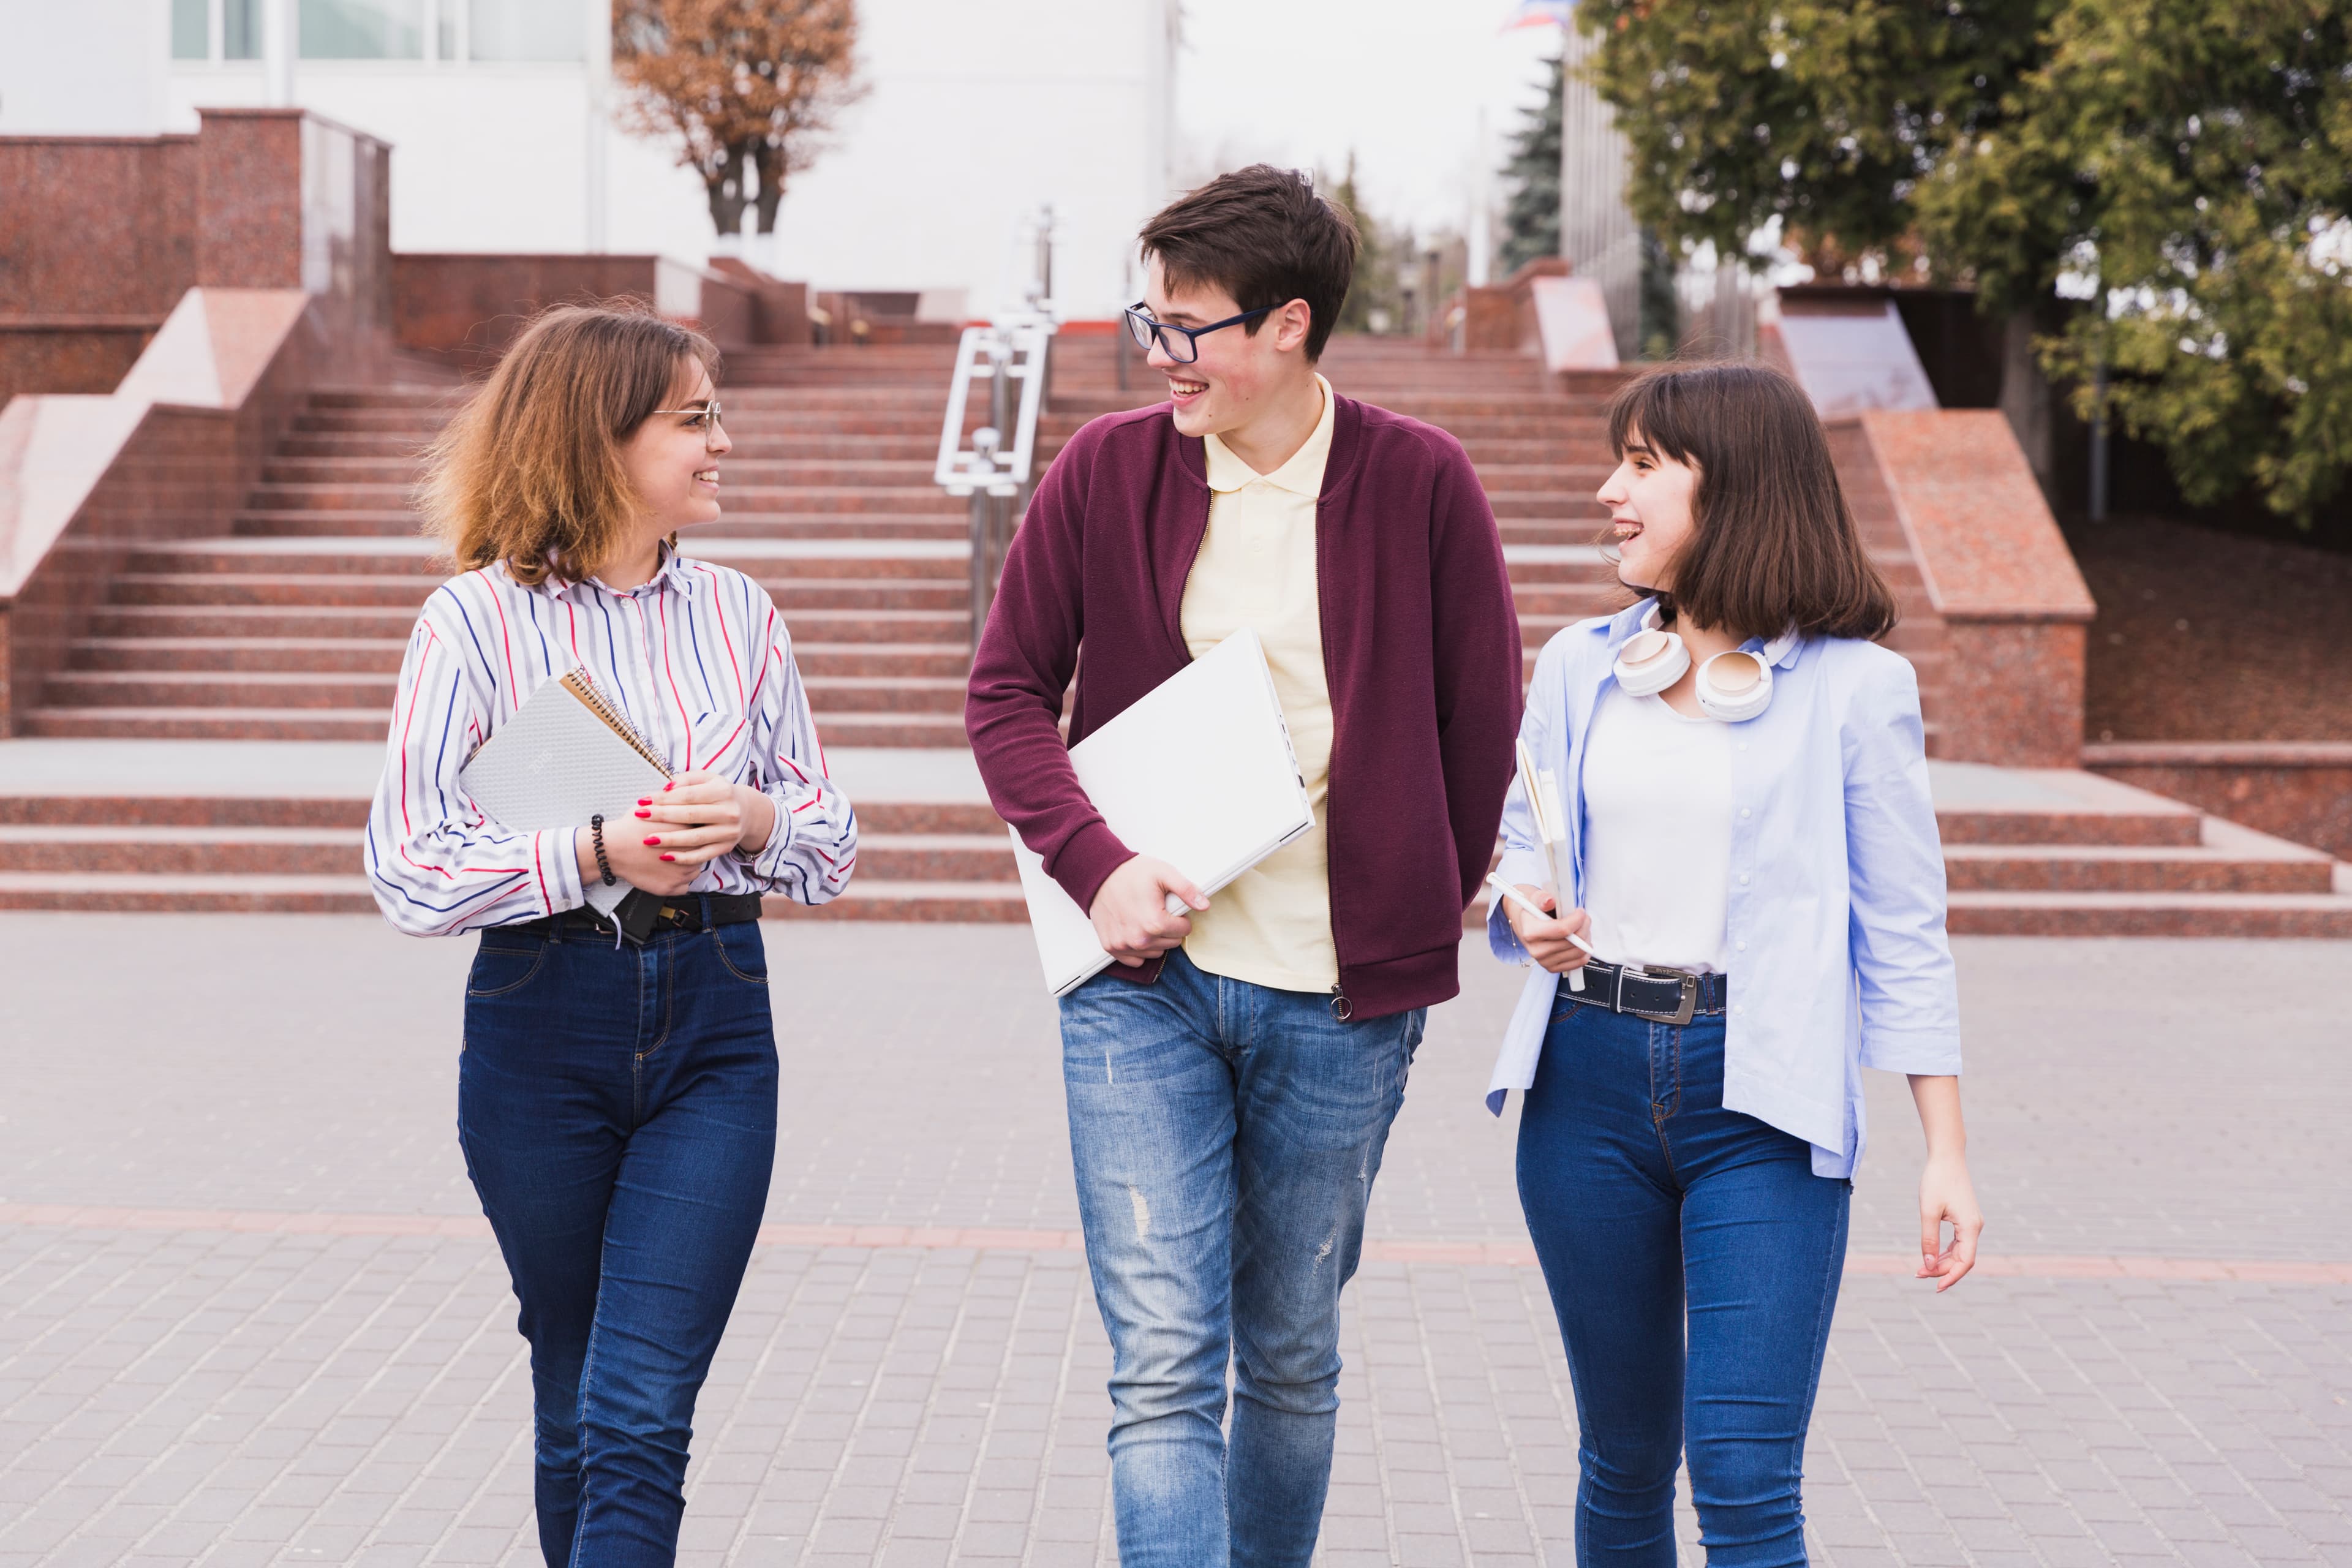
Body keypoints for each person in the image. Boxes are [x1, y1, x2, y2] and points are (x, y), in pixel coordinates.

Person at [965, 165, 1521, 1566]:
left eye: (1186, 326)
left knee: (1285, 1354)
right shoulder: (1108, 470)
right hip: (1138, 979)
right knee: (1161, 1362)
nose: (1160, 354)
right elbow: (1006, 693)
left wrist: (1412, 895)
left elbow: (1483, 723)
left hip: (1338, 1002)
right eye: (1146, 320)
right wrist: (1095, 867)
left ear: (1287, 324)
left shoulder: (1421, 481)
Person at [364, 304, 856, 1566]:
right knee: (576, 1384)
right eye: (694, 420)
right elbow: (408, 865)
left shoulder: (742, 613)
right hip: (539, 1023)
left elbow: (830, 838)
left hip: (715, 1018)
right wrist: (591, 850)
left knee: (639, 1408)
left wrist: (753, 812)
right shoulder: (470, 621)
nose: (721, 443)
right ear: (600, 438)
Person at [1487, 361, 1984, 1566]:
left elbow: (1906, 927)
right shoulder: (1577, 666)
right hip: (1584, 1085)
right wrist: (1522, 904)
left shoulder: (1859, 689)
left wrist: (1946, 1152)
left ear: (1740, 487)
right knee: (1621, 1460)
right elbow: (1514, 852)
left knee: (1746, 1475)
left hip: (1760, 1093)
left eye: (1645, 464)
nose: (1612, 489)